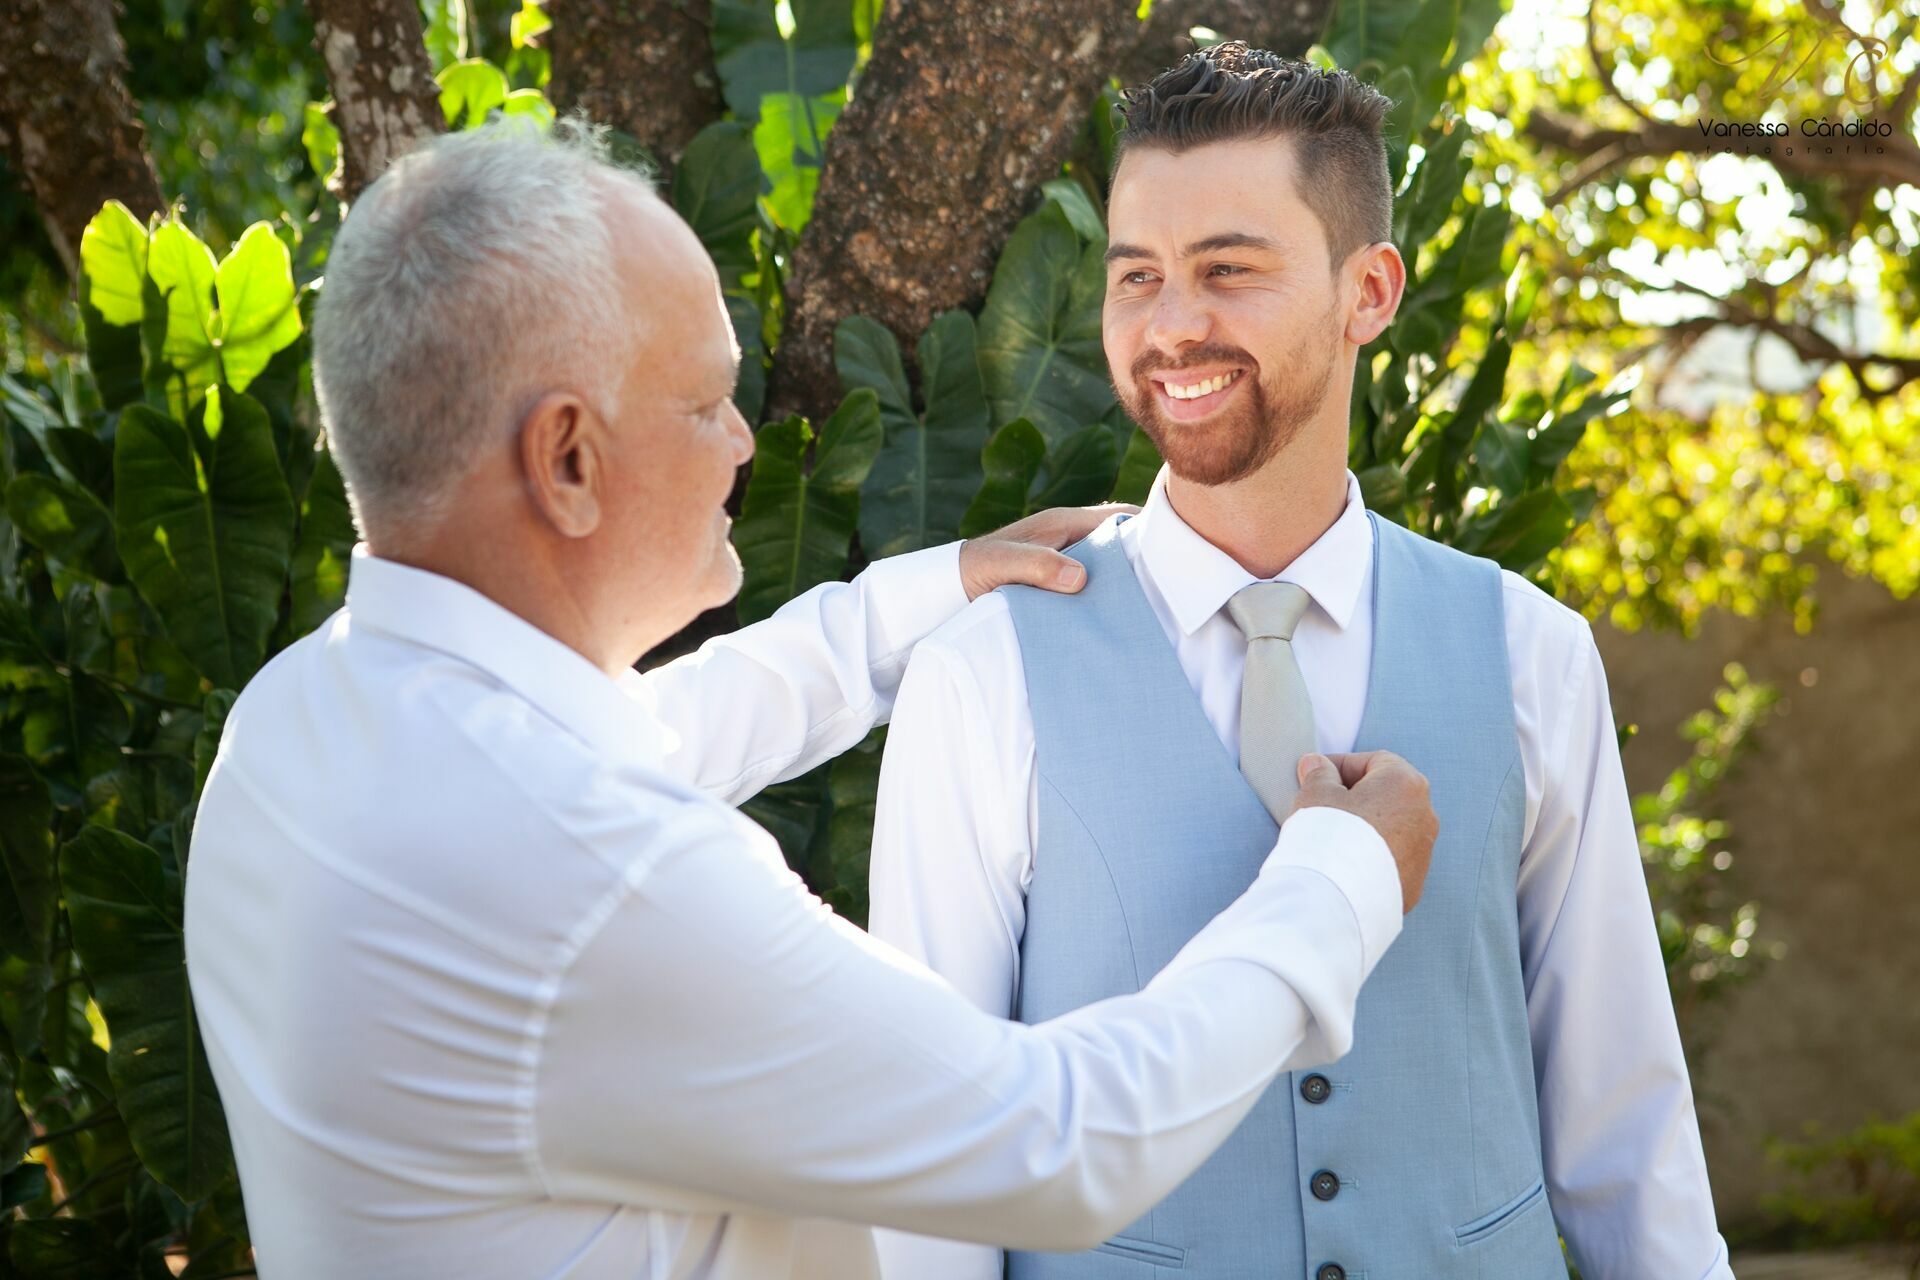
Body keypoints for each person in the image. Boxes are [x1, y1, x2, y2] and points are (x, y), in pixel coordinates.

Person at [182, 118, 1443, 1280]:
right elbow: (1057, 1141)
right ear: (568, 459)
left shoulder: (303, 719)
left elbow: (634, 742)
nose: (745, 440)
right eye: (706, 402)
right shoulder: (601, 883)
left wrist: (905, 605)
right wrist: (1337, 878)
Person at [868, 43, 1734, 1280]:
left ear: (1367, 290)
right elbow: (939, 1161)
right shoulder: (985, 671)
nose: (1171, 326)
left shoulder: (1529, 648)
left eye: (1228, 269)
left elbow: (1623, 1113)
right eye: (1138, 278)